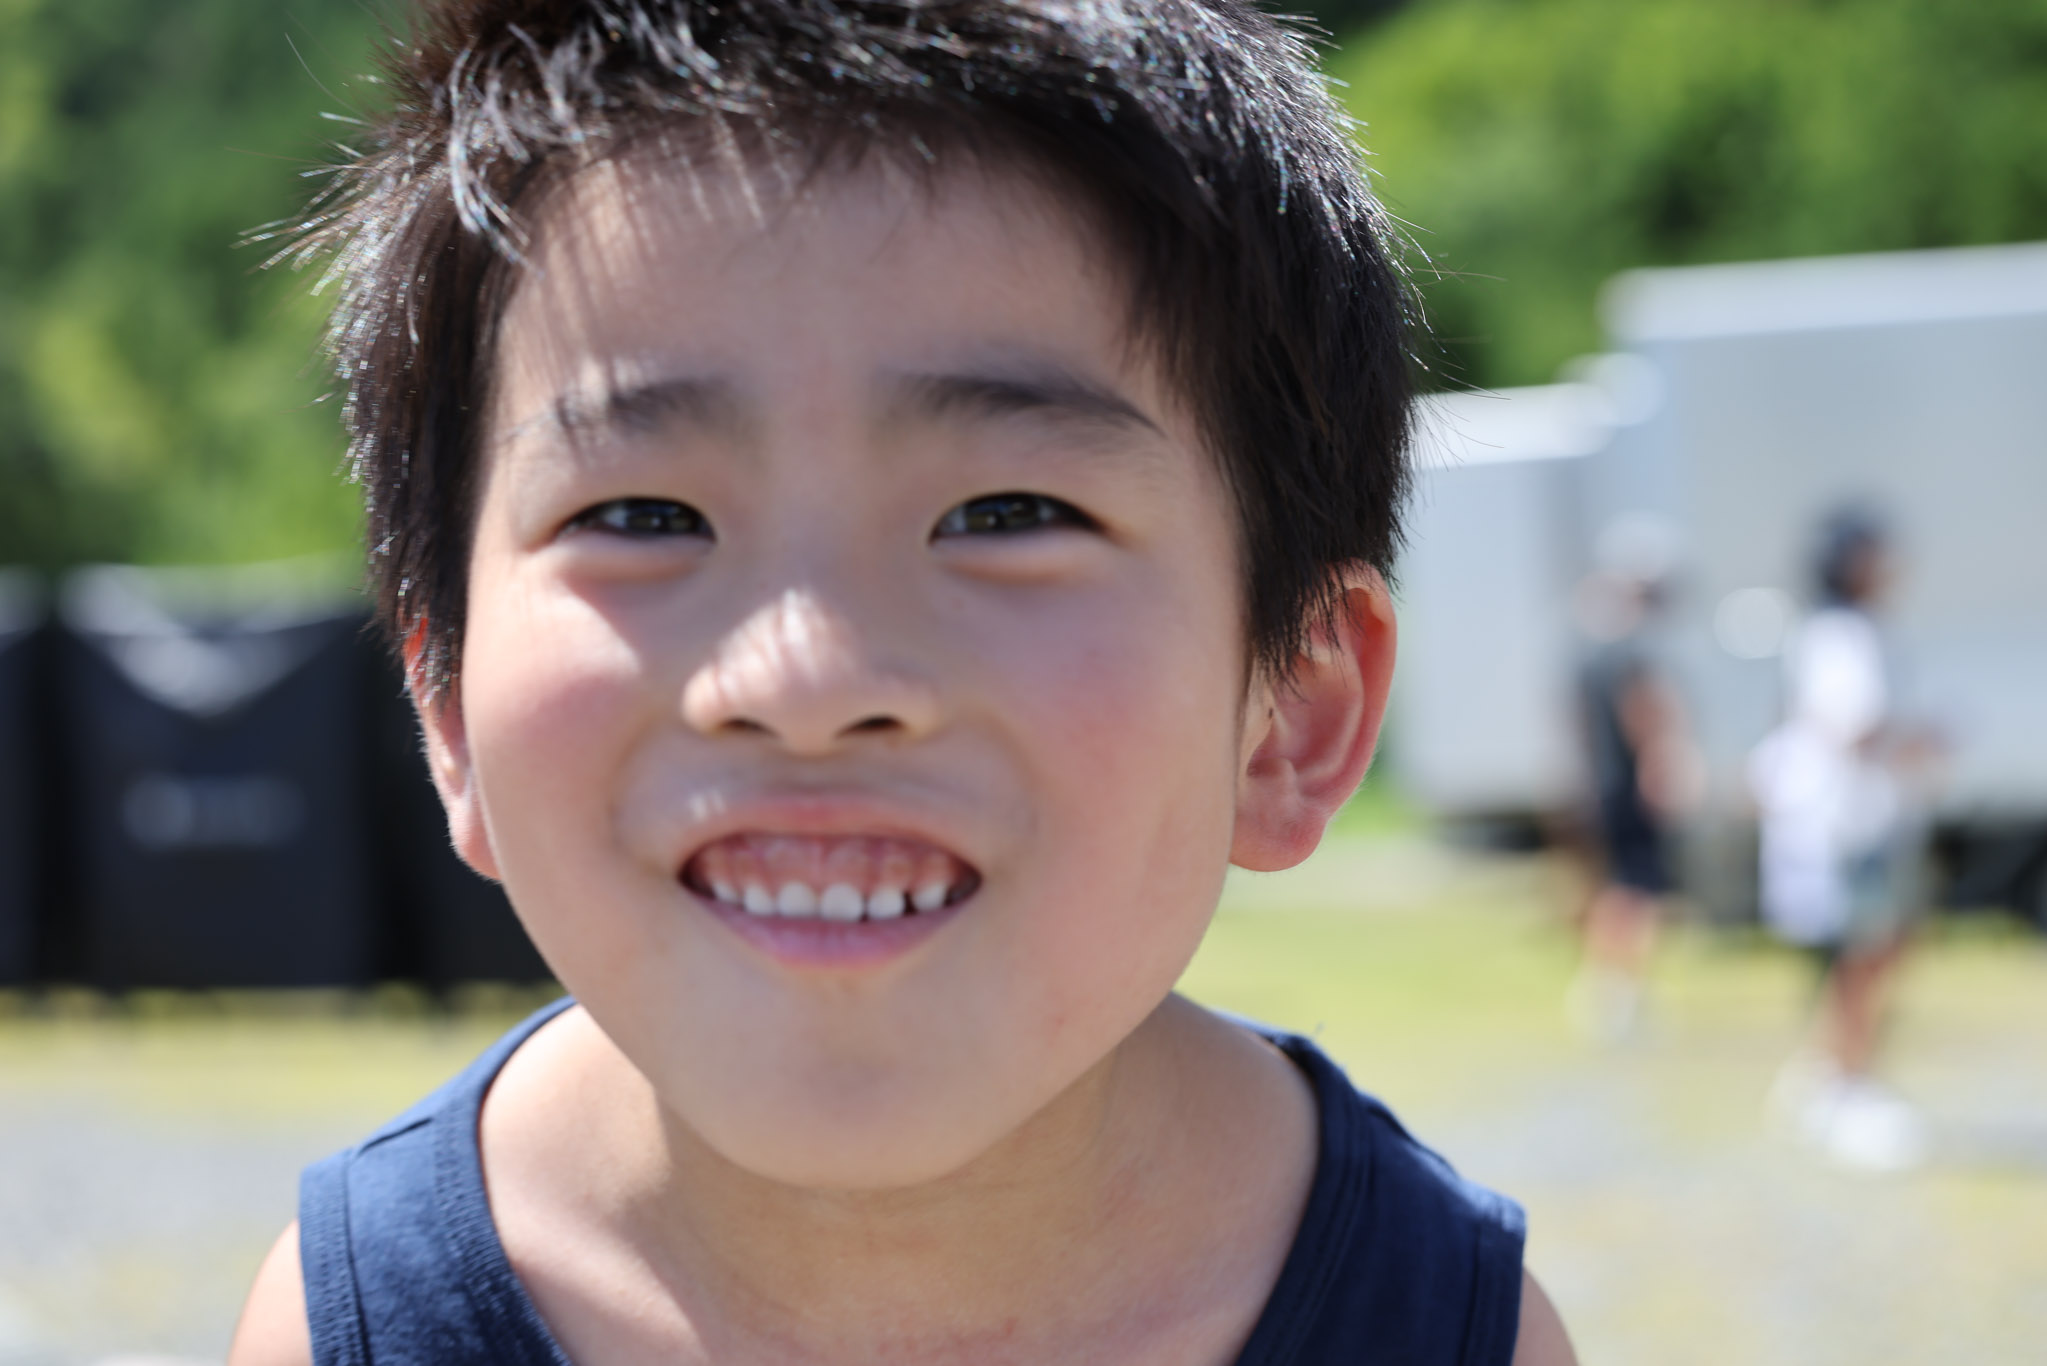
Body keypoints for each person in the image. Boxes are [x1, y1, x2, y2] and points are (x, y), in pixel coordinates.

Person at [228, 2, 1576, 1360]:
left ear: (1291, 709)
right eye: (641, 516)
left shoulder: (1449, 1330)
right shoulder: (349, 1330)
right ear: (449, 704)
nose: (807, 679)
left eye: (1005, 514)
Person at [1750, 508, 1936, 1173]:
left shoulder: (1837, 630)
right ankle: (1845, 1089)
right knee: (1863, 957)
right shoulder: (1843, 634)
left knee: (1861, 957)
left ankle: (1826, 1078)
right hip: (1849, 824)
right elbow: (1853, 726)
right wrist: (1920, 738)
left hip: (1848, 821)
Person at [1566, 515, 1695, 1043]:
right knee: (1638, 893)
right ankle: (1621, 995)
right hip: (1629, 786)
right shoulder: (1635, 650)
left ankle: (1609, 989)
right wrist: (1662, 766)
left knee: (1615, 888)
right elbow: (1645, 713)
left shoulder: (1591, 647)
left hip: (1601, 784)